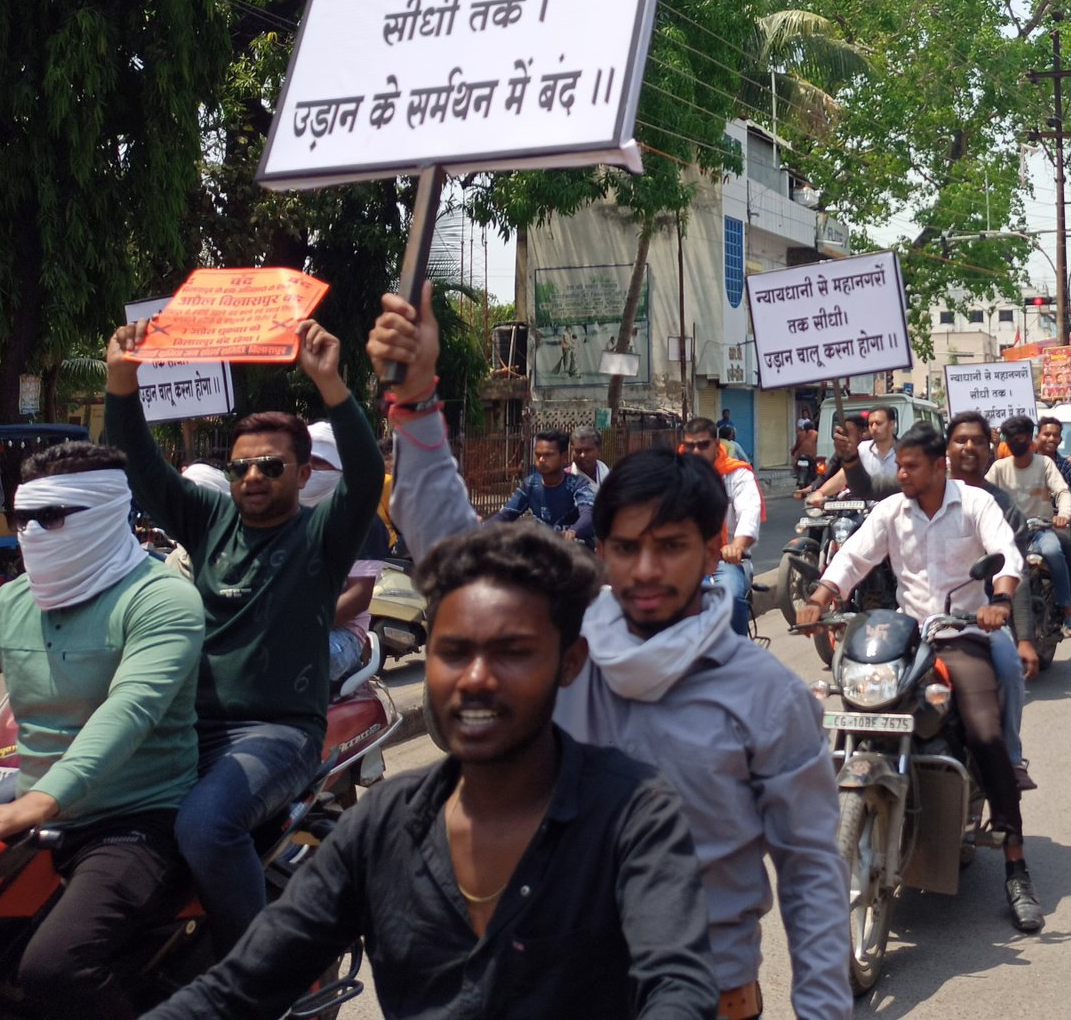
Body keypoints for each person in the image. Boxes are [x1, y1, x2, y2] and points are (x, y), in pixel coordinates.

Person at [370, 291, 850, 1020]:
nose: (646, 572)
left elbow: (812, 874)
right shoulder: (562, 642)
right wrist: (416, 396)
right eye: (626, 548)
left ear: (715, 547)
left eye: (671, 547)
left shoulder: (767, 698)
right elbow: (445, 541)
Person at [145, 524, 717, 1020]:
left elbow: (678, 988)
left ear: (569, 663)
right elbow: (240, 987)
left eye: (512, 652)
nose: (475, 679)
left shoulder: (636, 814)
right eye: (454, 652)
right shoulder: (382, 827)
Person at [106, 316, 383, 956]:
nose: (252, 478)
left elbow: (367, 477)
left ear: (304, 472)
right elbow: (143, 465)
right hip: (182, 726)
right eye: (240, 467)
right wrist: (123, 382)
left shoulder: (322, 534)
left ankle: (258, 969)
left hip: (278, 731)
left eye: (268, 466)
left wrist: (331, 384)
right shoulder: (209, 520)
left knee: (206, 827)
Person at [0, 444, 204, 1020]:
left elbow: (130, 710)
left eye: (53, 516)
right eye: (23, 518)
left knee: (56, 967)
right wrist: (33, 804)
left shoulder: (160, 600)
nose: (34, 532)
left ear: (109, 511)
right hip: (32, 811)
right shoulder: (10, 603)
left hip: (132, 819)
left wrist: (40, 800)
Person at [794, 423, 1044, 934]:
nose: (901, 474)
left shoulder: (974, 504)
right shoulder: (891, 511)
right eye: (899, 466)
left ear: (937, 467)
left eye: (910, 467)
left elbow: (1006, 553)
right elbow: (854, 555)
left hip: (963, 634)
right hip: (907, 638)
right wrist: (820, 598)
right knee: (849, 707)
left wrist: (999, 600)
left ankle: (1015, 861)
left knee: (985, 731)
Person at [946, 414, 1039, 790]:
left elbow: (1014, 573)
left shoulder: (1000, 505)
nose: (969, 448)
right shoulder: (919, 496)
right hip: (920, 620)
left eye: (977, 442)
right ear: (946, 448)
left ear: (989, 450)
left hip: (980, 622)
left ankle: (1011, 759)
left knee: (1007, 669)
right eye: (960, 440)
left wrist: (1024, 637)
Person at [988, 414, 1071, 637]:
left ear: (1030, 439)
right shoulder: (999, 467)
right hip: (1007, 535)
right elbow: (982, 495)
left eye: (1021, 438)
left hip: (1039, 531)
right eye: (1011, 439)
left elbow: (1062, 492)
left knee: (1054, 551)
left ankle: (1068, 612)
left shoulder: (1044, 463)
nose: (1016, 443)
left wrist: (1063, 515)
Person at [681, 417, 761, 637]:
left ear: (717, 445)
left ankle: (736, 655)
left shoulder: (737, 475)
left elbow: (749, 512)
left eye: (703, 445)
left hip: (724, 560)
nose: (696, 451)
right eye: (690, 446)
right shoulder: (674, 475)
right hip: (683, 560)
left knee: (731, 598)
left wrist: (737, 546)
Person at [498, 430, 597, 546]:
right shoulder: (530, 484)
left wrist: (572, 532)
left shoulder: (578, 485)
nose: (541, 460)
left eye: (548, 455)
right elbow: (506, 515)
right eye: (538, 455)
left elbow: (588, 514)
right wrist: (480, 530)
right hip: (544, 553)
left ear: (564, 457)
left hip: (576, 553)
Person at [330, 516, 391, 685]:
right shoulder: (284, 519)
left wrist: (298, 629)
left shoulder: (363, 522)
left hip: (339, 634)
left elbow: (358, 597)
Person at [802, 413, 876, 505]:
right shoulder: (842, 452)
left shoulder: (869, 450)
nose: (842, 438)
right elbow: (835, 475)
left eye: (847, 434)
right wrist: (816, 490)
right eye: (840, 434)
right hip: (846, 500)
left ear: (862, 433)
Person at [856, 405, 901, 493]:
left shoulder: (904, 451)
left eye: (878, 423)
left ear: (891, 424)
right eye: (870, 424)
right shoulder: (862, 449)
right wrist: (821, 492)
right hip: (868, 505)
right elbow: (843, 476)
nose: (874, 428)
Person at [569, 425, 610, 491]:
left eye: (588, 450)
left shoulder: (610, 476)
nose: (582, 455)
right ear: (571, 450)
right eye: (578, 451)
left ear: (599, 450)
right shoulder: (566, 480)